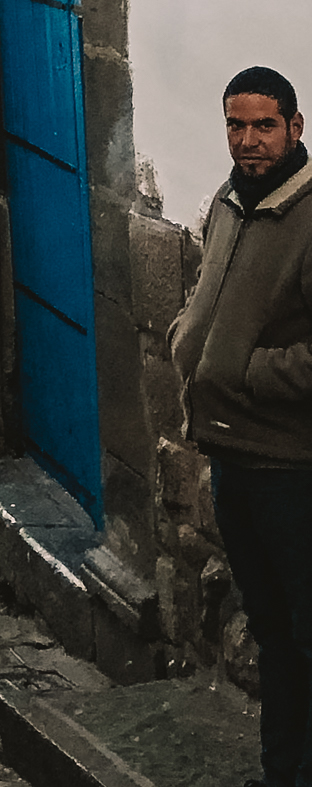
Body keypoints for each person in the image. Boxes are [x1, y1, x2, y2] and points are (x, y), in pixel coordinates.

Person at [170, 65, 312, 787]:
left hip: (291, 469)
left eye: (263, 124)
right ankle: (281, 771)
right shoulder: (229, 202)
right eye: (235, 124)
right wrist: (186, 338)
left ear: (295, 126)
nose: (248, 140)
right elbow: (208, 298)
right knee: (272, 634)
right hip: (232, 461)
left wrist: (243, 371)